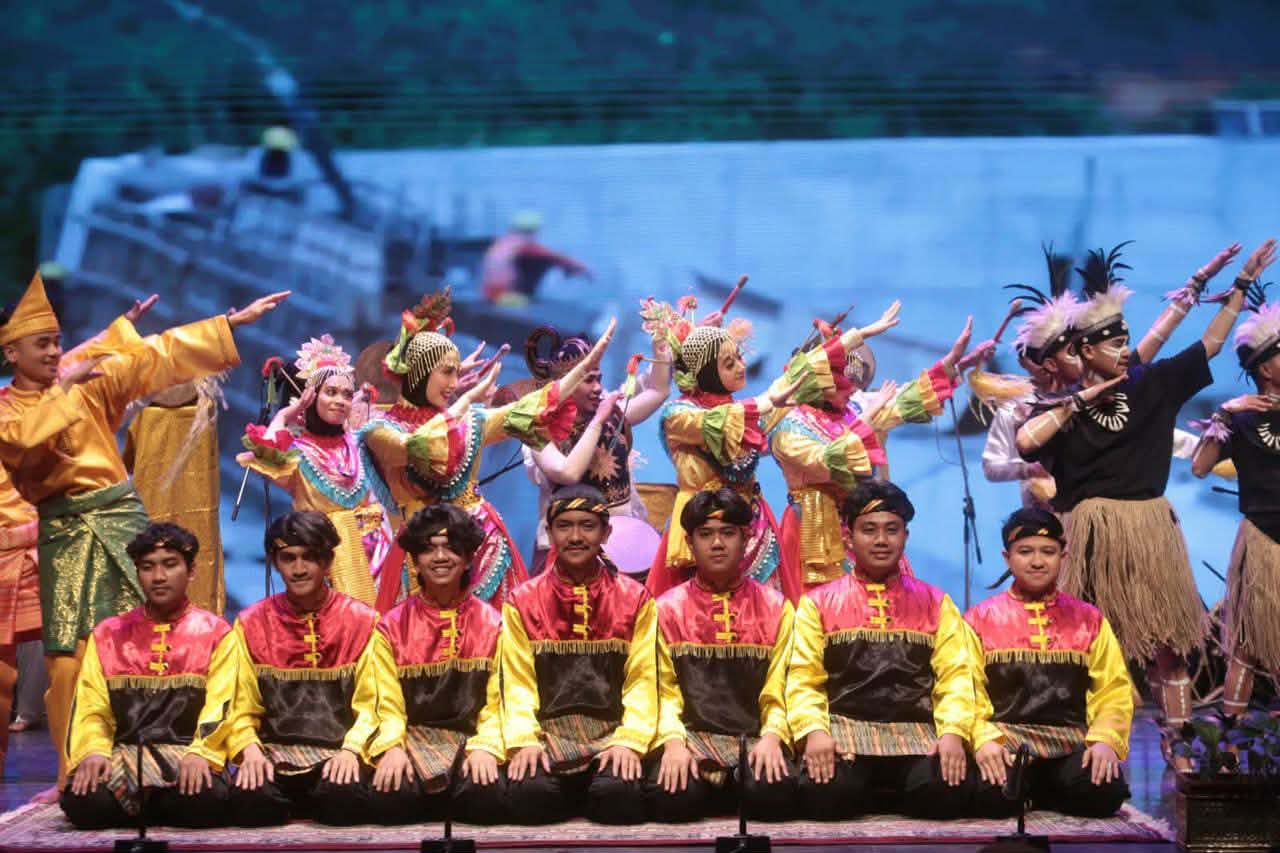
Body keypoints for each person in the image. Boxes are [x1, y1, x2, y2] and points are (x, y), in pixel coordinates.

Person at [0, 273, 287, 792]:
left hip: (118, 517)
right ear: (11, 353)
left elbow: (154, 354)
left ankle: (176, 755)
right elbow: (22, 443)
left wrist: (227, 325)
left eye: (57, 342)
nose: (54, 352)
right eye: (41, 344)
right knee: (69, 659)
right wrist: (64, 387)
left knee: (160, 632)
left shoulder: (86, 381)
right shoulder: (14, 408)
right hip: (65, 530)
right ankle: (77, 774)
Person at [1015, 239, 1276, 758]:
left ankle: (1182, 744)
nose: (1123, 351)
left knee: (1168, 647)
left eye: (1126, 343)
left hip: (1151, 530)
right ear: (1084, 351)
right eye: (1113, 344)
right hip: (1091, 534)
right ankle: (1072, 746)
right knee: (1084, 642)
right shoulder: (1061, 411)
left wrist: (1239, 287)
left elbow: (1208, 345)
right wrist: (1079, 400)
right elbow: (1026, 443)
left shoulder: (1150, 385)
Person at [359, 288, 615, 609]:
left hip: (480, 549)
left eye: (456, 374)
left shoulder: (471, 421)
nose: (454, 383)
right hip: (418, 553)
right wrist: (466, 400)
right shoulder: (381, 431)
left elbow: (528, 409)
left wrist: (580, 370)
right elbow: (419, 445)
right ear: (419, 373)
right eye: (447, 372)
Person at [640, 297, 897, 601]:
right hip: (702, 530)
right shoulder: (679, 415)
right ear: (705, 372)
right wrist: (769, 401)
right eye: (729, 363)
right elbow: (731, 417)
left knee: (764, 615)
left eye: (739, 357)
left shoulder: (746, 412)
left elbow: (796, 375)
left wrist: (859, 335)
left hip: (753, 528)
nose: (742, 367)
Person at [980, 242, 1241, 508]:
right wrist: (1029, 469)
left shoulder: (1117, 385)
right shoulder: (1023, 408)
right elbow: (998, 462)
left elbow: (1157, 337)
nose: (1079, 356)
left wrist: (1196, 284)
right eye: (1071, 351)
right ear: (1050, 363)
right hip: (1050, 513)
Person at [787, 480, 977, 820]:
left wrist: (952, 733)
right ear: (848, 538)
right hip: (844, 733)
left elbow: (956, 678)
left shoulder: (936, 602)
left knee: (945, 792)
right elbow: (803, 679)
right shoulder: (818, 603)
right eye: (869, 530)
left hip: (917, 735)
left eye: (892, 530)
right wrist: (814, 733)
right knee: (825, 794)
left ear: (905, 536)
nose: (881, 540)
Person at [771, 313, 977, 588]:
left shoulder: (849, 413)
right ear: (818, 385)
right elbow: (828, 462)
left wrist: (949, 363)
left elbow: (902, 404)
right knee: (820, 605)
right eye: (842, 384)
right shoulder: (791, 428)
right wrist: (867, 420)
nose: (852, 390)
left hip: (860, 525)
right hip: (813, 527)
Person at [59, 523, 242, 828]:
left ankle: (142, 807)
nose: (158, 576)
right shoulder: (108, 634)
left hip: (188, 755)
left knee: (204, 802)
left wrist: (202, 753)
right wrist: (93, 751)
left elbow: (223, 706)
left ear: (191, 571)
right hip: (124, 757)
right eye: (147, 567)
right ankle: (150, 804)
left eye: (170, 565)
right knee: (84, 803)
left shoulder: (215, 633)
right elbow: (91, 708)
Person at [226, 511, 401, 826]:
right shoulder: (251, 624)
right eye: (288, 558)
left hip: (340, 754)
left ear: (328, 562)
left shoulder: (362, 622)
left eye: (309, 557)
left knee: (343, 800)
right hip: (274, 755)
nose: (298, 569)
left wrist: (352, 751)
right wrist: (248, 749)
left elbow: (375, 704)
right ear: (274, 562)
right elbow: (238, 705)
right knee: (251, 802)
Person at [501, 484, 657, 825]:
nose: (575, 537)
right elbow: (516, 684)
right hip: (547, 738)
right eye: (564, 526)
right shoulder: (523, 601)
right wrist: (525, 741)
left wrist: (630, 741)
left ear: (606, 533)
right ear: (549, 532)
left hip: (613, 735)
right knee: (531, 799)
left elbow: (644, 681)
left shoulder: (635, 599)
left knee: (618, 799)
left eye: (587, 526)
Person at [967, 508, 1132, 818]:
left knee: (1103, 793)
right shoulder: (980, 619)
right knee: (992, 798)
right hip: (1008, 745)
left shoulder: (1089, 619)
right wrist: (984, 740)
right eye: (1025, 551)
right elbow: (968, 691)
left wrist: (1105, 741)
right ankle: (1038, 792)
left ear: (1063, 556)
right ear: (1007, 557)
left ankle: (1041, 791)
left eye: (1048, 551)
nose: (1037, 561)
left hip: (1070, 745)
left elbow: (1113, 690)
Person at [648, 489, 797, 822]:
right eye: (705, 535)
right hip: (690, 741)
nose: (717, 544)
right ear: (689, 543)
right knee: (672, 799)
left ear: (745, 539)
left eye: (728, 533)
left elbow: (783, 688)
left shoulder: (776, 608)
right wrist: (673, 743)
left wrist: (773, 737)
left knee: (773, 796)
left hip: (754, 741)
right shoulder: (666, 610)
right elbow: (662, 692)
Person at [370, 505, 507, 824]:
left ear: (469, 558)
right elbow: (386, 704)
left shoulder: (493, 624)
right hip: (412, 741)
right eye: (429, 549)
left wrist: (486, 747)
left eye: (451, 547)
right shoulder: (391, 627)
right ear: (415, 560)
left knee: (487, 798)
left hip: (471, 742)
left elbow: (499, 702)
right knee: (390, 800)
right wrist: (392, 747)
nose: (441, 557)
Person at [240, 335, 395, 606]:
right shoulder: (297, 453)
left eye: (347, 394)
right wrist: (286, 414)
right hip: (327, 563)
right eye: (330, 392)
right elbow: (267, 453)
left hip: (378, 558)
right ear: (309, 396)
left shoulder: (361, 440)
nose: (341, 401)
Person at [1191, 293, 1280, 719]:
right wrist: (1224, 414)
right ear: (1265, 368)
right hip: (1261, 539)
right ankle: (1228, 740)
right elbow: (1199, 467)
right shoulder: (1241, 420)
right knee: (1247, 643)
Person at [522, 326, 672, 574]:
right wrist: (598, 422)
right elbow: (566, 473)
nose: (598, 388)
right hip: (570, 548)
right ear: (566, 384)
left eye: (599, 380)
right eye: (588, 380)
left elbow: (658, 390)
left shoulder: (612, 414)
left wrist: (662, 347)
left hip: (622, 543)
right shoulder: (539, 430)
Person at [481, 211, 592, 306]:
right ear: (533, 230)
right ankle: (528, 298)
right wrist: (582, 268)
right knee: (544, 260)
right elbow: (552, 256)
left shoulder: (502, 242)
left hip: (489, 293)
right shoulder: (523, 244)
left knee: (540, 260)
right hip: (504, 297)